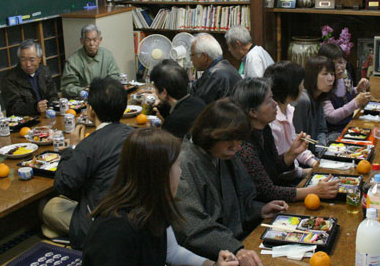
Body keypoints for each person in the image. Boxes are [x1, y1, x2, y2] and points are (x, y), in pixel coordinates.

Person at [83, 128, 238, 266]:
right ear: (159, 174)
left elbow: (171, 251)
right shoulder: (114, 232)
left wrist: (212, 265)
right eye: (177, 166)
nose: (181, 173)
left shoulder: (152, 205)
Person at [173, 98, 289, 266]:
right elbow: (193, 227)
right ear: (209, 134)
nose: (236, 147)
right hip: (211, 257)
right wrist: (236, 249)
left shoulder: (223, 154)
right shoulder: (182, 164)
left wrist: (260, 209)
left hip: (237, 243)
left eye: (240, 140)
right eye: (230, 140)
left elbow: (243, 199)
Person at [42, 77, 134, 249]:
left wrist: (72, 147)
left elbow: (64, 185)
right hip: (135, 217)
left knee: (49, 207)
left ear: (91, 110)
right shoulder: (135, 134)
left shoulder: (89, 145)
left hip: (102, 223)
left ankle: (70, 236)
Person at [233, 78, 340, 203]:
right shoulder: (244, 146)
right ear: (253, 112)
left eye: (273, 98)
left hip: (277, 198)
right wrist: (313, 191)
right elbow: (267, 192)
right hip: (262, 207)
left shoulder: (264, 129)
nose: (275, 104)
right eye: (269, 101)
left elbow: (273, 169)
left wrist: (292, 153)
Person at [264, 62, 318, 182]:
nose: (302, 88)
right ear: (291, 88)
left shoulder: (288, 109)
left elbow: (294, 147)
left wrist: (314, 162)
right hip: (285, 181)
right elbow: (276, 168)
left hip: (295, 172)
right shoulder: (272, 121)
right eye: (301, 84)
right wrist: (304, 172)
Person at [318, 43, 371, 138]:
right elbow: (331, 117)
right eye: (334, 64)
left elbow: (346, 97)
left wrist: (357, 90)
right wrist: (356, 102)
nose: (339, 67)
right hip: (334, 133)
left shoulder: (344, 77)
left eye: (341, 62)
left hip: (349, 125)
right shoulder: (325, 84)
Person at [150, 59, 206, 139]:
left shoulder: (173, 122)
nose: (154, 91)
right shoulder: (200, 103)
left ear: (164, 92)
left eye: (155, 88)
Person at [60, 24, 120, 97]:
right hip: (84, 99)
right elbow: (66, 87)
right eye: (88, 40)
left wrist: (105, 86)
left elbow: (115, 76)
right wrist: (82, 90)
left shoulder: (107, 55)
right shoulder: (72, 61)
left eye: (95, 40)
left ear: (100, 40)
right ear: (82, 41)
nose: (92, 44)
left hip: (106, 96)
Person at [1, 39, 58, 116]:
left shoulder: (44, 71)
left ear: (39, 59)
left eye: (32, 59)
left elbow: (53, 95)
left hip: (47, 115)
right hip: (26, 122)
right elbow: (13, 108)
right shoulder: (10, 79)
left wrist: (51, 106)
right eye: (23, 59)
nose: (28, 64)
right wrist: (35, 108)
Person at [292, 55, 335, 154]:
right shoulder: (302, 100)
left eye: (332, 74)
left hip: (313, 154)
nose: (330, 79)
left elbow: (321, 130)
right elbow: (298, 138)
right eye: (325, 74)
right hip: (302, 160)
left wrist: (321, 152)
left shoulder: (319, 96)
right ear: (312, 75)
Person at [189, 33, 241, 104]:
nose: (191, 59)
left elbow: (198, 104)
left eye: (192, 55)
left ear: (204, 57)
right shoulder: (226, 65)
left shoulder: (214, 75)